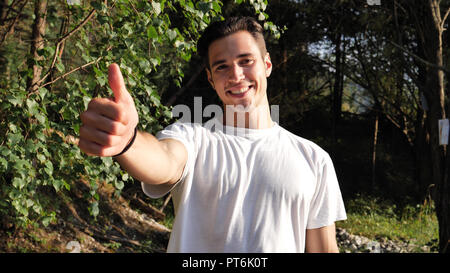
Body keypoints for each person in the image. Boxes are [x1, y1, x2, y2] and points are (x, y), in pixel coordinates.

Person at [78, 16, 346, 253]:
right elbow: (164, 161)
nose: (236, 75)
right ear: (210, 79)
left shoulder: (314, 159)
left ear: (267, 65)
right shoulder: (192, 138)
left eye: (246, 61)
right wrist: (129, 141)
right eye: (222, 67)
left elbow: (323, 249)